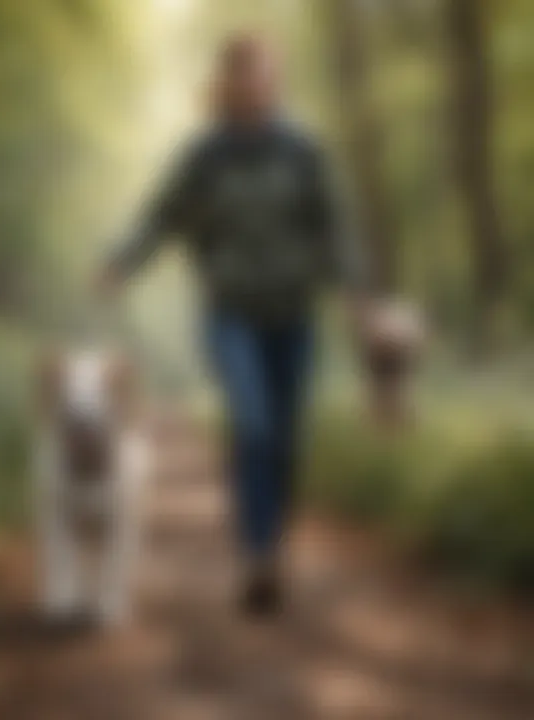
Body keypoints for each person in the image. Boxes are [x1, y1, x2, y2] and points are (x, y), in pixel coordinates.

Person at [95, 33, 373, 616]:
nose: (253, 86)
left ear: (276, 82)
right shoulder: (205, 155)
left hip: (294, 314)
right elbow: (160, 217)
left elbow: (335, 226)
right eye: (243, 76)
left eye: (264, 76)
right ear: (226, 84)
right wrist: (121, 262)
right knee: (252, 425)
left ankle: (272, 541)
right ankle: (256, 554)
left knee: (286, 438)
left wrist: (356, 293)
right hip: (231, 315)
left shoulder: (303, 150)